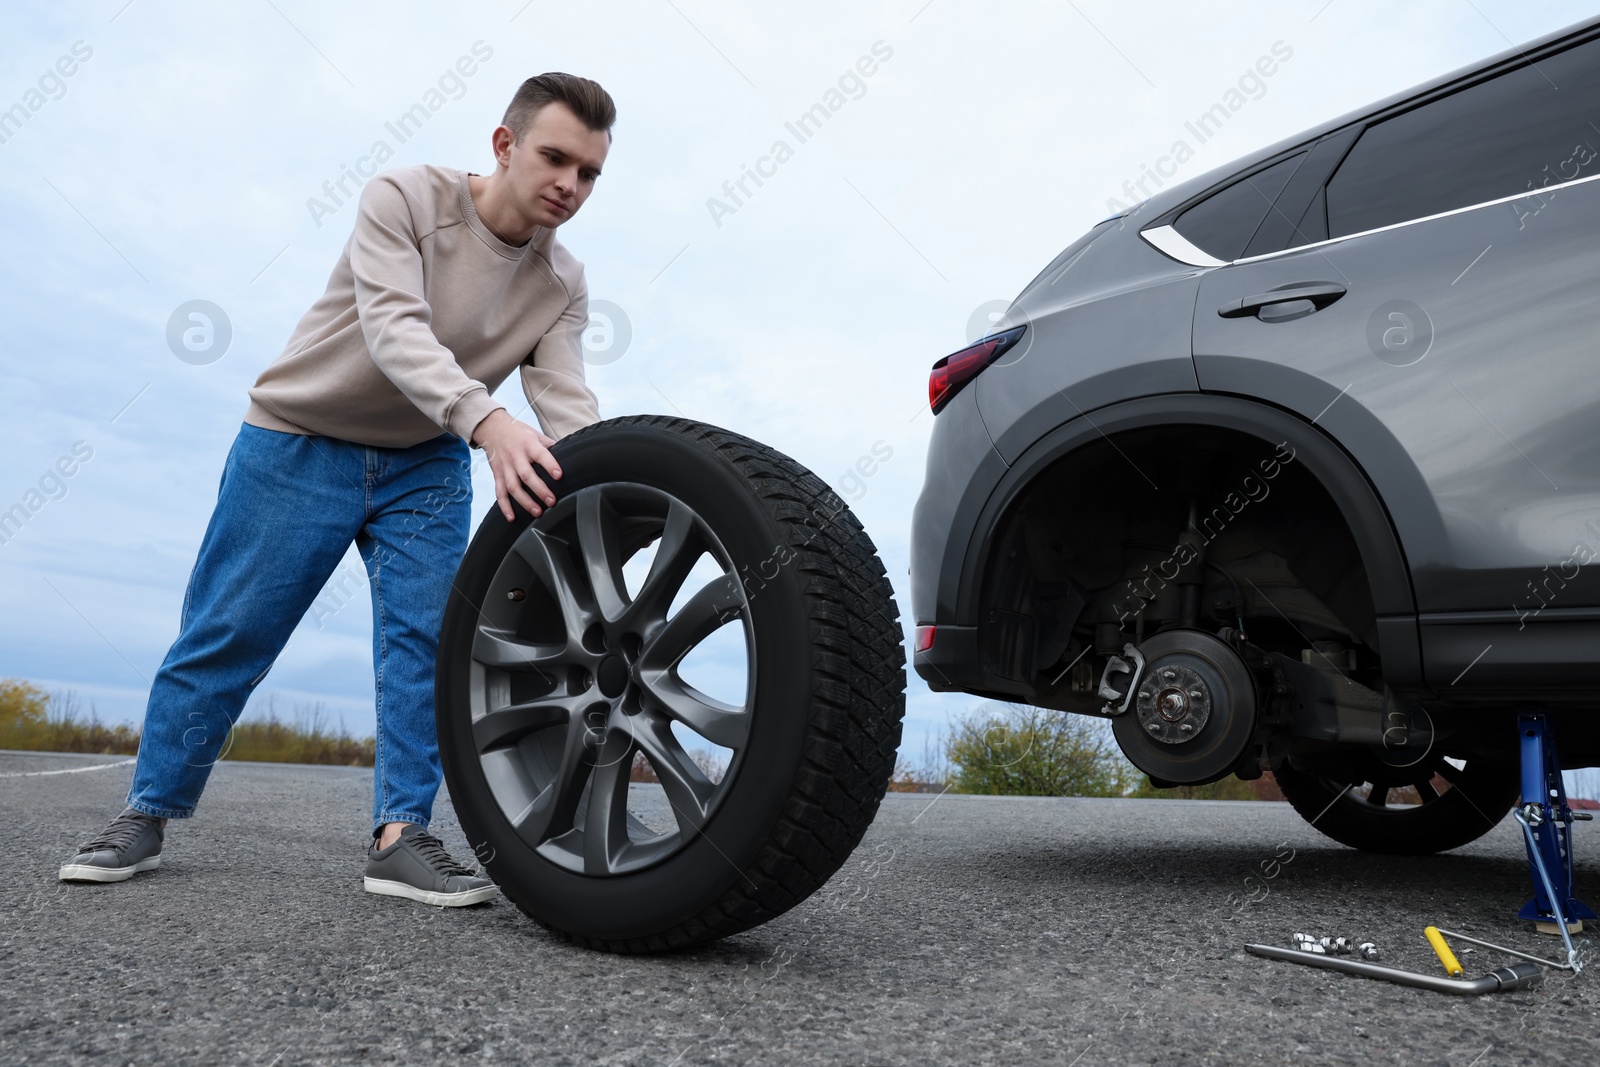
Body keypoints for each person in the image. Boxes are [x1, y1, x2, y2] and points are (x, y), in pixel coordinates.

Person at [57, 73, 614, 906]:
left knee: (427, 646)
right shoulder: (405, 198)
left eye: (591, 173)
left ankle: (400, 836)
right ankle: (145, 812)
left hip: (425, 461)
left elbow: (565, 400)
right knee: (228, 633)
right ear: (504, 145)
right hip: (298, 439)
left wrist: (604, 494)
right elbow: (395, 328)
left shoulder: (562, 282)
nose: (570, 186)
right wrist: (487, 420)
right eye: (555, 158)